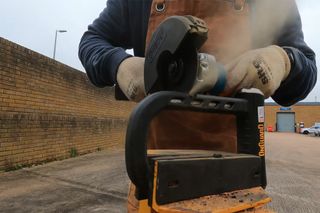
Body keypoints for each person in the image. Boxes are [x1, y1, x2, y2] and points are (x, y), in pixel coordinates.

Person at [78, 0, 317, 212]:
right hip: (155, 180)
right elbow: (91, 41)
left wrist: (284, 61)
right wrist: (119, 64)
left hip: (239, 181)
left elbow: (306, 70)